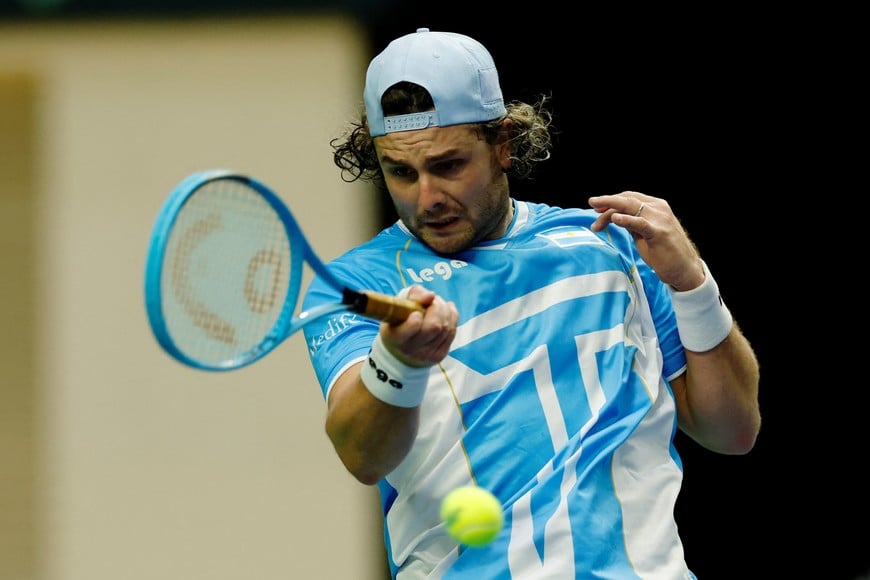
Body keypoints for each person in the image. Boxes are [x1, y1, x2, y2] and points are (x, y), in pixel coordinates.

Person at [301, 27, 761, 579]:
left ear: (504, 144)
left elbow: (732, 431)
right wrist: (399, 362)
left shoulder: (608, 248)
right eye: (401, 172)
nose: (426, 198)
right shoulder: (357, 283)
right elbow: (362, 456)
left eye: (448, 165)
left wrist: (692, 283)